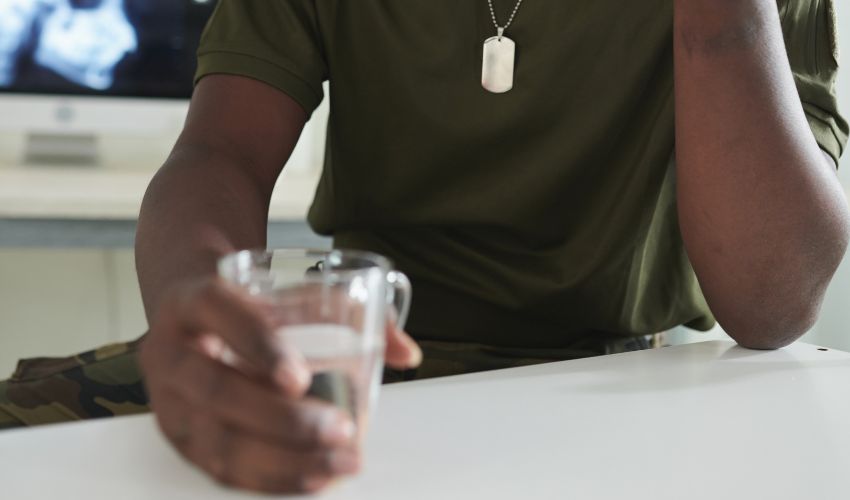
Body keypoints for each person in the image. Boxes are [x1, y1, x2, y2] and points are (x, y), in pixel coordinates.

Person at [2, 0, 848, 494]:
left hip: (629, 380)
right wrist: (197, 308)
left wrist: (719, 22)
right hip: (365, 360)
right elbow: (218, 152)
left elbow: (769, 301)